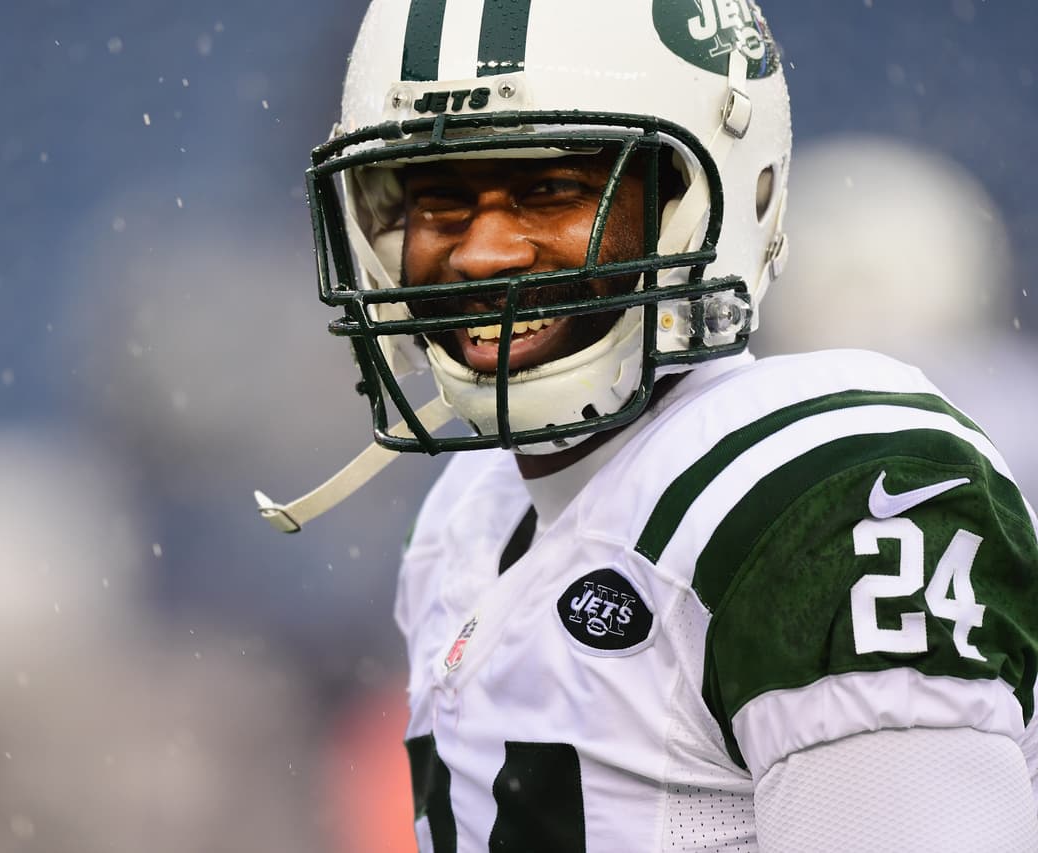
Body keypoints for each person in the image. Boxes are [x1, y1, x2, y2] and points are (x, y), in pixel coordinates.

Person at [257, 1, 1038, 849]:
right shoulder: (467, 516)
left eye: (549, 189)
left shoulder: (821, 496)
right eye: (440, 201)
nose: (481, 252)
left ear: (715, 199)